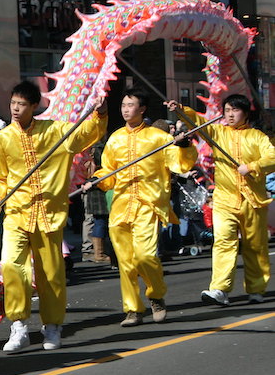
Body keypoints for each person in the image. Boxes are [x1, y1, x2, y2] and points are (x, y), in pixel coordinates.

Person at [0, 80, 107, 353]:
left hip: (49, 213)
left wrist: (99, 113)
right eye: (13, 104)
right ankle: (18, 325)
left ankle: (52, 325)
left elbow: (84, 135)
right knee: (11, 266)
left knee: (51, 274)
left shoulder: (55, 131)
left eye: (21, 105)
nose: (15, 109)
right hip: (16, 212)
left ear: (34, 107)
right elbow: (2, 177)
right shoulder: (3, 138)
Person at [86, 90, 197, 327]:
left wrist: (185, 145)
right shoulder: (115, 139)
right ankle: (133, 309)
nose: (126, 109)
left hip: (148, 204)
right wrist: (97, 180)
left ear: (142, 109)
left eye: (131, 105)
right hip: (121, 206)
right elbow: (108, 172)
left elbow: (181, 163)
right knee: (125, 262)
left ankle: (156, 295)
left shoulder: (158, 138)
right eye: (123, 105)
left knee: (145, 256)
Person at [167, 95, 275, 305]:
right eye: (227, 110)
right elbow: (196, 124)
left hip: (253, 200)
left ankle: (256, 288)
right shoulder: (217, 132)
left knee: (255, 246)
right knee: (223, 242)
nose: (231, 114)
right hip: (225, 199)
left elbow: (272, 156)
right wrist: (181, 110)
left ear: (245, 112)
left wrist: (253, 167)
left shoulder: (258, 137)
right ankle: (219, 289)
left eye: (235, 110)